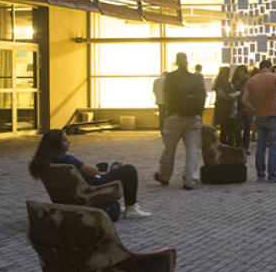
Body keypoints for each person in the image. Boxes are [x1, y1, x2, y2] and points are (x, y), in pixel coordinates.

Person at [29, 129, 152, 218]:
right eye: (65, 140)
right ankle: (131, 207)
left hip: (70, 193)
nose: (69, 142)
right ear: (56, 144)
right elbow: (93, 171)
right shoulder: (66, 159)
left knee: (104, 165)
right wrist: (99, 173)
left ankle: (110, 173)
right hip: (88, 190)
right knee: (129, 170)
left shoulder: (45, 161)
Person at [155, 52, 206, 190]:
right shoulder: (195, 78)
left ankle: (164, 176)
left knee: (170, 149)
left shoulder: (171, 77)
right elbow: (203, 96)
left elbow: (166, 97)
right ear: (187, 63)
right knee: (193, 150)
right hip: (193, 118)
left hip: (174, 117)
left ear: (176, 62)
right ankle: (189, 179)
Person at [241, 59, 276, 183]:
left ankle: (260, 174)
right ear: (270, 67)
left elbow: (244, 100)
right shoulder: (275, 77)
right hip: (273, 115)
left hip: (259, 117)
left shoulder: (251, 80)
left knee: (260, 146)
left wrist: (254, 111)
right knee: (274, 146)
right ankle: (272, 175)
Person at [213, 66, 239, 146]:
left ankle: (222, 145)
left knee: (223, 129)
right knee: (230, 129)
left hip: (219, 108)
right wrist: (238, 93)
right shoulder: (227, 84)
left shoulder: (218, 83)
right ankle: (229, 146)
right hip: (227, 109)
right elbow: (231, 96)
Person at [230, 66, 253, 152]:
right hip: (240, 109)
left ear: (247, 74)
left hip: (248, 109)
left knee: (247, 129)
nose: (240, 76)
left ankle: (245, 147)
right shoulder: (237, 85)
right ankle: (239, 146)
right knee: (238, 129)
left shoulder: (251, 83)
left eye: (242, 74)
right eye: (239, 75)